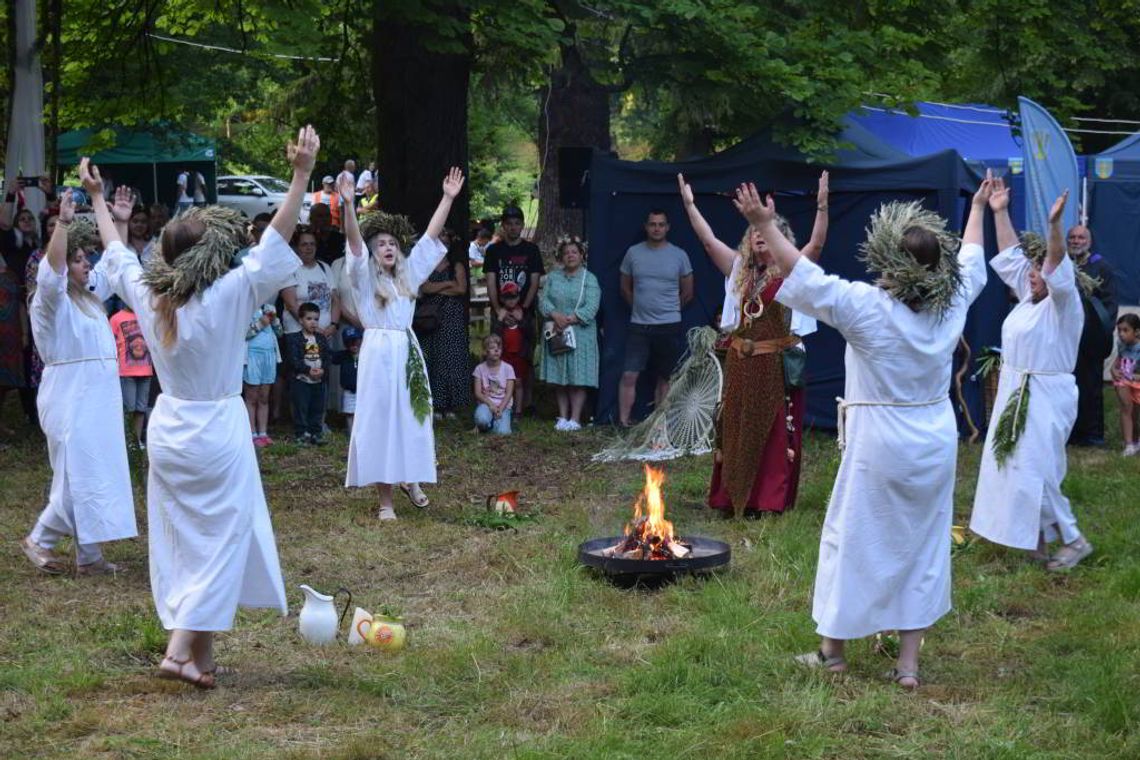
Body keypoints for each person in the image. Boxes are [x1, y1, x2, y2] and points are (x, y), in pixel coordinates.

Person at [738, 174, 990, 688]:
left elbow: (804, 274)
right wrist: (980, 207)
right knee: (923, 545)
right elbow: (970, 259)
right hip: (933, 440)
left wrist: (764, 222)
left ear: (891, 264)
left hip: (881, 441)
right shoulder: (952, 303)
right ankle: (908, 665)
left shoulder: (868, 308)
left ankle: (833, 654)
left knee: (854, 539)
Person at [95, 126, 319, 689]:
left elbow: (117, 255)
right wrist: (300, 174)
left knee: (187, 540)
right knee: (224, 539)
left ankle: (203, 657)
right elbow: (277, 237)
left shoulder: (151, 296)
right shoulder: (230, 293)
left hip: (169, 427)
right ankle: (178, 650)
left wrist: (101, 202)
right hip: (216, 428)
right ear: (212, 255)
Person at [679, 172, 829, 516]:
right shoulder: (740, 271)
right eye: (754, 231)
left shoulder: (792, 272)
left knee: (772, 432)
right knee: (735, 427)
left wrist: (821, 206)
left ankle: (766, 501)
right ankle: (731, 498)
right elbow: (708, 241)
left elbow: (817, 245)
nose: (759, 235)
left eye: (767, 231)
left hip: (775, 366)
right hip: (740, 363)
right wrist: (689, 206)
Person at [970, 188, 1094, 572]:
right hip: (1016, 389)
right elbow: (1011, 256)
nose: (1033, 274)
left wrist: (1055, 225)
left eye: (1040, 270)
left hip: (1046, 393)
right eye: (1033, 270)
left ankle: (1074, 540)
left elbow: (1056, 261)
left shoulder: (1063, 304)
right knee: (1014, 466)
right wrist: (999, 211)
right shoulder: (1029, 295)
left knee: (1037, 468)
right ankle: (1036, 541)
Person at [20, 188, 137, 576]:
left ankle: (89, 556)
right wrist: (64, 225)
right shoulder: (49, 301)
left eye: (87, 257)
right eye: (78, 259)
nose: (87, 264)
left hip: (97, 396)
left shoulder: (88, 294)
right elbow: (51, 271)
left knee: (96, 470)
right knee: (75, 475)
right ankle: (40, 538)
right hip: (70, 394)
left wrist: (119, 222)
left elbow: (113, 268)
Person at [340, 167, 465, 521]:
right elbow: (354, 244)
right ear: (373, 252)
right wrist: (348, 205)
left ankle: (411, 478)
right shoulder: (363, 277)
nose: (388, 248)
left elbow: (430, 237)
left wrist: (448, 198)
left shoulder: (409, 273)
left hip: (406, 351)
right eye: (381, 244)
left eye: (393, 244)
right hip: (377, 353)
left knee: (412, 416)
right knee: (381, 420)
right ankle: (386, 501)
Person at [618, 209, 694, 426]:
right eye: (653, 224)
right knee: (629, 375)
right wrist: (640, 308)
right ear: (646, 226)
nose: (657, 228)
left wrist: (669, 310)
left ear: (667, 227)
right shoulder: (633, 253)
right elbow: (624, 288)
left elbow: (688, 292)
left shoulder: (679, 255)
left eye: (661, 224)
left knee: (665, 377)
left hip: (669, 325)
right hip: (639, 325)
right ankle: (624, 423)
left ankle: (659, 426)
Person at [483, 205, 544, 414]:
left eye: (517, 223)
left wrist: (523, 309)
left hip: (525, 312)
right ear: (503, 226)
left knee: (526, 355)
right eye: (509, 224)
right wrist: (498, 308)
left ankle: (527, 402)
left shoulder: (531, 250)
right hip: (500, 312)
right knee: (497, 353)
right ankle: (499, 400)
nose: (513, 227)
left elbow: (534, 282)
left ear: (522, 225)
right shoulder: (493, 250)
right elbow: (490, 281)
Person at [539, 235, 601, 431]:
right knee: (560, 377)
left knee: (577, 377)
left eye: (574, 252)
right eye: (566, 253)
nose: (570, 255)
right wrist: (554, 314)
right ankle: (562, 417)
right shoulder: (553, 277)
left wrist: (569, 319)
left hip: (580, 333)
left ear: (582, 255)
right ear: (561, 256)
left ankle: (575, 419)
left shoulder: (589, 278)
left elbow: (592, 306)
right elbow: (543, 300)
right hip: (556, 332)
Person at [1065, 224, 1118, 446]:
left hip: (1090, 338)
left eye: (1081, 237)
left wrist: (1101, 332)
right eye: (1072, 237)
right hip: (1066, 338)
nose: (1076, 241)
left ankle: (1092, 434)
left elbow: (1109, 304)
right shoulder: (1063, 265)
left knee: (1090, 386)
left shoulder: (1101, 267)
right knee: (1067, 386)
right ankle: (1069, 432)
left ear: (1089, 241)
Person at [416, 233, 472, 419]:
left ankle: (451, 405)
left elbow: (461, 288)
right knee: (433, 359)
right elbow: (425, 288)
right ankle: (435, 404)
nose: (443, 245)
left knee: (451, 360)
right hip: (431, 319)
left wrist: (437, 287)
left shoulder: (456, 265)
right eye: (440, 242)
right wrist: (449, 283)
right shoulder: (426, 264)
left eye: (446, 243)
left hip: (452, 318)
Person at [285, 302, 331, 445]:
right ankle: (301, 434)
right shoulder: (294, 339)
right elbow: (293, 359)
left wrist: (323, 369)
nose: (313, 322)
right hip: (302, 380)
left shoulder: (321, 338)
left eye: (316, 319)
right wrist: (308, 370)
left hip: (318, 380)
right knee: (301, 407)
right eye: (309, 319)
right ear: (300, 320)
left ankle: (315, 433)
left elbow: (327, 357)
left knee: (317, 407)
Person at [110, 304, 154, 450]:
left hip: (146, 370)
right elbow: (110, 344)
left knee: (141, 408)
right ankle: (126, 441)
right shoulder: (116, 319)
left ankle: (136, 441)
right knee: (129, 409)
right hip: (126, 372)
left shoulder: (146, 315)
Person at [243, 302, 282, 447]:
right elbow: (242, 334)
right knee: (251, 396)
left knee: (264, 397)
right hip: (252, 356)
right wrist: (260, 324)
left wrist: (275, 320)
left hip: (269, 356)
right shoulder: (245, 308)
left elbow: (280, 333)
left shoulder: (269, 307)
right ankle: (252, 433)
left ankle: (263, 432)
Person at [493, 282, 532, 416]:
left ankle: (518, 411)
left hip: (519, 355)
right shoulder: (500, 314)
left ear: (518, 297)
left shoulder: (523, 313)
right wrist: (499, 319)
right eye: (507, 297)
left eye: (514, 297)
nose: (511, 300)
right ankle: (503, 408)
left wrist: (520, 320)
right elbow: (494, 336)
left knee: (518, 382)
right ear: (502, 299)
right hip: (504, 355)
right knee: (503, 382)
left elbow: (530, 334)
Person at [473, 333, 515, 435]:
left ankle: (494, 423)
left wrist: (500, 409)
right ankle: (486, 422)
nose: (496, 350)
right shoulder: (479, 369)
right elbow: (478, 393)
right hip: (486, 404)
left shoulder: (508, 368)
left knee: (503, 433)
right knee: (482, 419)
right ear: (485, 351)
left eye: (499, 348)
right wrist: (491, 405)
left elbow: (509, 393)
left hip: (503, 406)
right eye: (492, 348)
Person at [1112, 313, 1140, 456]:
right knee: (1126, 408)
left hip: (1137, 383)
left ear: (1136, 332)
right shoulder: (1121, 345)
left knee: (1136, 413)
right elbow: (1118, 360)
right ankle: (1129, 444)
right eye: (1119, 330)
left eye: (1125, 330)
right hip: (1124, 380)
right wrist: (1113, 370)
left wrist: (1136, 377)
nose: (1121, 334)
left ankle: (1136, 440)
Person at [334, 326, 362, 433]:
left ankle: (362, 434)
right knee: (349, 414)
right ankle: (351, 434)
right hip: (349, 391)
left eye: (356, 341)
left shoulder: (366, 355)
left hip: (364, 391)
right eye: (349, 342)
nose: (353, 345)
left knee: (363, 413)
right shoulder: (343, 355)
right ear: (345, 344)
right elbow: (330, 356)